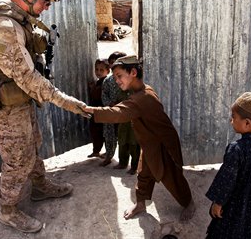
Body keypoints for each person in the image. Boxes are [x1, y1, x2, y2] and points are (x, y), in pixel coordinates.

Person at [0, 0, 88, 233]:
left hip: (18, 98)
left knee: (32, 142)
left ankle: (40, 186)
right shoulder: (3, 26)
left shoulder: (16, 17)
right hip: (5, 105)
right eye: (44, 2)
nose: (46, 8)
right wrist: (66, 102)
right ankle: (8, 209)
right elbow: (27, 78)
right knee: (17, 156)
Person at [83, 55, 195, 221]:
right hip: (150, 143)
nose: (117, 81)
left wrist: (89, 110)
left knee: (172, 178)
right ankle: (141, 204)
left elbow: (118, 113)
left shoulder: (142, 98)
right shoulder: (140, 91)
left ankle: (188, 203)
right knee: (143, 174)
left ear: (133, 72)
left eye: (119, 76)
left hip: (163, 145)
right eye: (115, 78)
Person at [206, 92, 251, 239]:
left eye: (233, 117)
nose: (231, 121)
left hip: (236, 208)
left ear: (247, 123)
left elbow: (226, 179)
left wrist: (218, 202)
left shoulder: (237, 149)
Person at [100, 51, 127, 166]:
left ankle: (123, 161)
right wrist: (109, 104)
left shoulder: (127, 79)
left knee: (123, 138)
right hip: (111, 112)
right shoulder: (108, 80)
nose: (112, 65)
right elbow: (104, 94)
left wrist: (121, 105)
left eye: (115, 62)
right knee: (109, 135)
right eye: (111, 63)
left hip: (124, 112)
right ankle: (108, 156)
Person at [87, 58, 110, 158]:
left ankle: (107, 152)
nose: (98, 72)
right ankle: (96, 150)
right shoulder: (98, 82)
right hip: (95, 112)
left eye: (101, 70)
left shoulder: (106, 83)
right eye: (96, 69)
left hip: (103, 112)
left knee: (104, 133)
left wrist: (92, 88)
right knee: (95, 132)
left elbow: (97, 95)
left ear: (108, 71)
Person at [114, 88, 140, 175]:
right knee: (122, 142)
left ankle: (134, 167)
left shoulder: (137, 91)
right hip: (123, 121)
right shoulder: (120, 91)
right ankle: (122, 163)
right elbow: (117, 104)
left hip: (134, 123)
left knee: (134, 144)